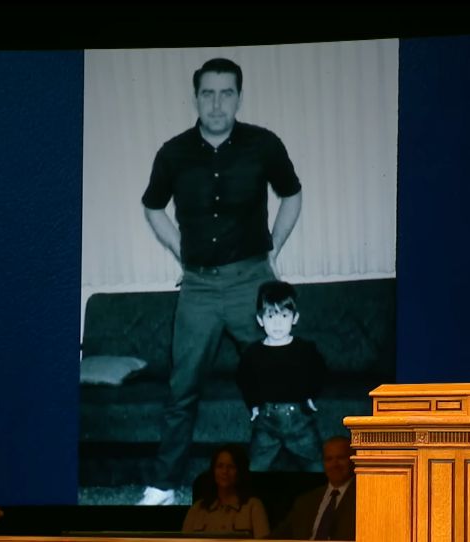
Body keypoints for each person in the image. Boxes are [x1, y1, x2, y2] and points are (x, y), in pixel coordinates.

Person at [138, 57, 303, 505]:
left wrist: (275, 249)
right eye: (207, 93)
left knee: (275, 384)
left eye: (226, 92)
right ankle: (165, 484)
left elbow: (292, 194)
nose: (216, 103)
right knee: (182, 388)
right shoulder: (172, 153)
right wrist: (180, 249)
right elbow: (153, 206)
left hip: (253, 284)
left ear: (239, 97)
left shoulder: (263, 145)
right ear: (196, 98)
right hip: (199, 289)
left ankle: (280, 482)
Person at [237, 280, 326, 473]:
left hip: (300, 418)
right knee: (254, 466)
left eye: (284, 316)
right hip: (266, 420)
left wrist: (312, 395)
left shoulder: (305, 349)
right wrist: (252, 404)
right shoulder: (252, 353)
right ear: (260, 320)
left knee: (316, 464)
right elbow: (245, 380)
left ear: (294, 318)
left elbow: (319, 372)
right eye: (270, 316)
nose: (277, 323)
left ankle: (328, 497)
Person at [270, 436, 357, 540]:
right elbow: (280, 535)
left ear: (353, 460)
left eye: (341, 458)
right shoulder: (306, 501)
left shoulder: (364, 499)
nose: (334, 464)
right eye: (329, 459)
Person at [182, 443, 270, 538]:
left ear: (240, 471)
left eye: (231, 467)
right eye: (220, 466)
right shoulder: (197, 509)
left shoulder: (253, 507)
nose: (225, 472)